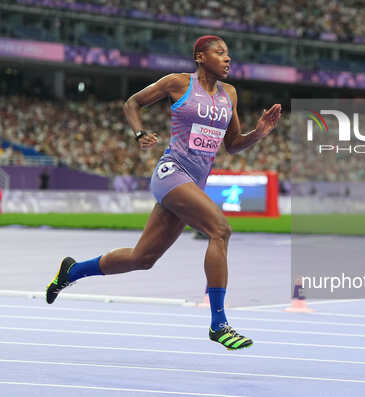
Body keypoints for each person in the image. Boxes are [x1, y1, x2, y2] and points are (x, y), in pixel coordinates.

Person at [45, 35, 282, 350]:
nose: (228, 59)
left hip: (193, 184)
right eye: (220, 52)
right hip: (171, 173)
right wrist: (139, 131)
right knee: (220, 230)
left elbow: (234, 144)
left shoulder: (230, 95)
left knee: (142, 258)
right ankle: (219, 324)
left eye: (228, 54)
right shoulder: (178, 84)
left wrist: (260, 133)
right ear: (200, 56)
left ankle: (71, 271)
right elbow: (133, 102)